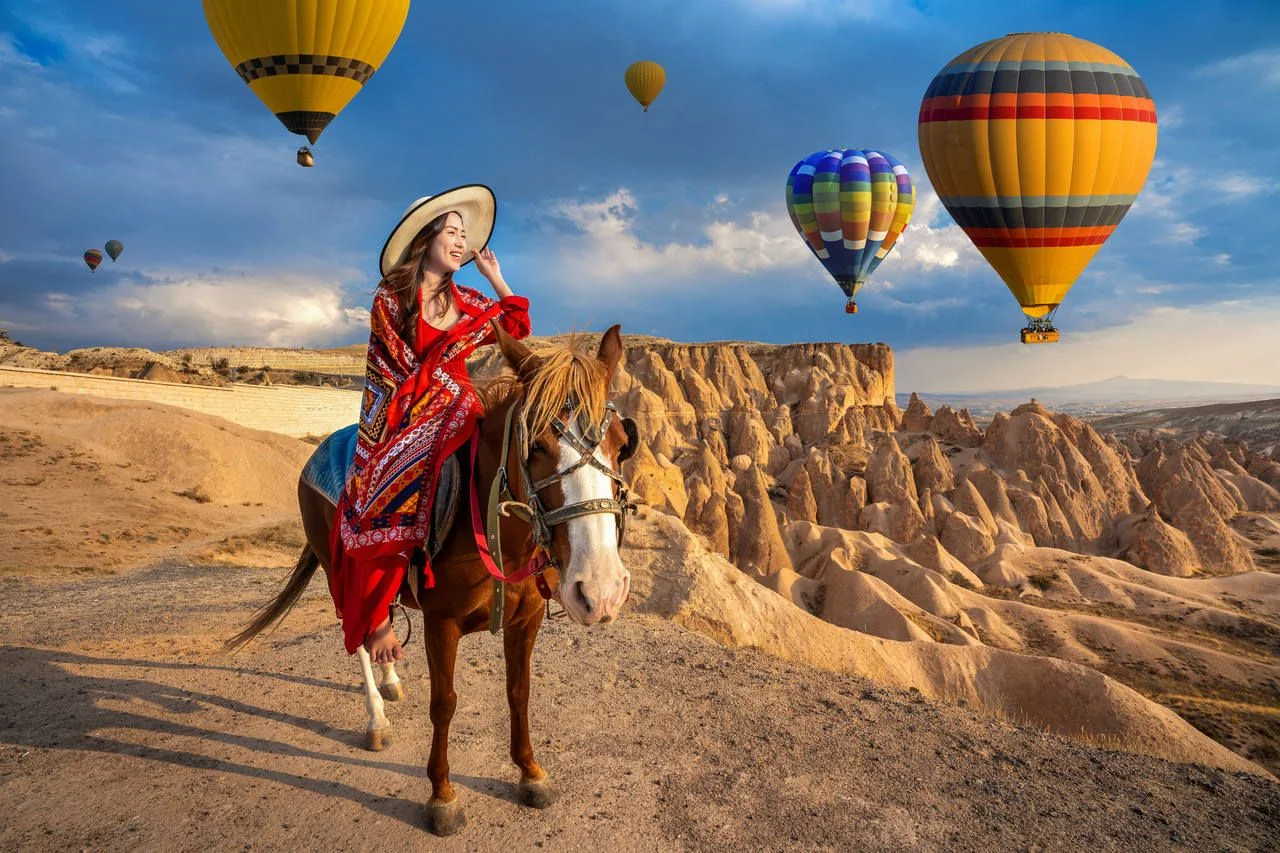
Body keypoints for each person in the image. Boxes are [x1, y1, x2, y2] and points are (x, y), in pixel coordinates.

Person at [329, 184, 531, 664]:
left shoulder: (471, 300)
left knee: (515, 456)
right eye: (452, 232)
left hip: (459, 403)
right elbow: (391, 367)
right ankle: (379, 616)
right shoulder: (391, 299)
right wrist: (432, 390)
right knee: (384, 488)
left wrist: (497, 278)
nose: (461, 242)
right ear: (426, 238)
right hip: (403, 406)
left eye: (464, 235)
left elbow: (517, 327)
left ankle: (539, 558)